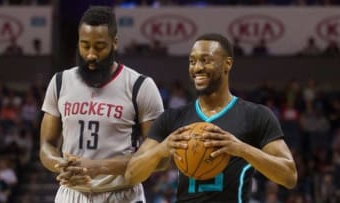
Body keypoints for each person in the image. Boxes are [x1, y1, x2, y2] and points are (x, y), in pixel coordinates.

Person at [125, 33, 297, 203]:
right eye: (192, 61)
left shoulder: (256, 116)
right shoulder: (172, 118)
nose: (197, 67)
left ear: (227, 64)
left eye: (205, 60)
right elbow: (131, 175)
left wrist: (242, 149)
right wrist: (162, 149)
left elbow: (289, 176)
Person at [39, 6, 164, 203]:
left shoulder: (140, 86)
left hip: (122, 194)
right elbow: (47, 146)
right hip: (71, 194)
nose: (90, 54)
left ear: (114, 43)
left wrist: (98, 167)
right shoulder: (60, 81)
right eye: (84, 45)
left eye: (99, 46)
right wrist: (62, 165)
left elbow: (161, 160)